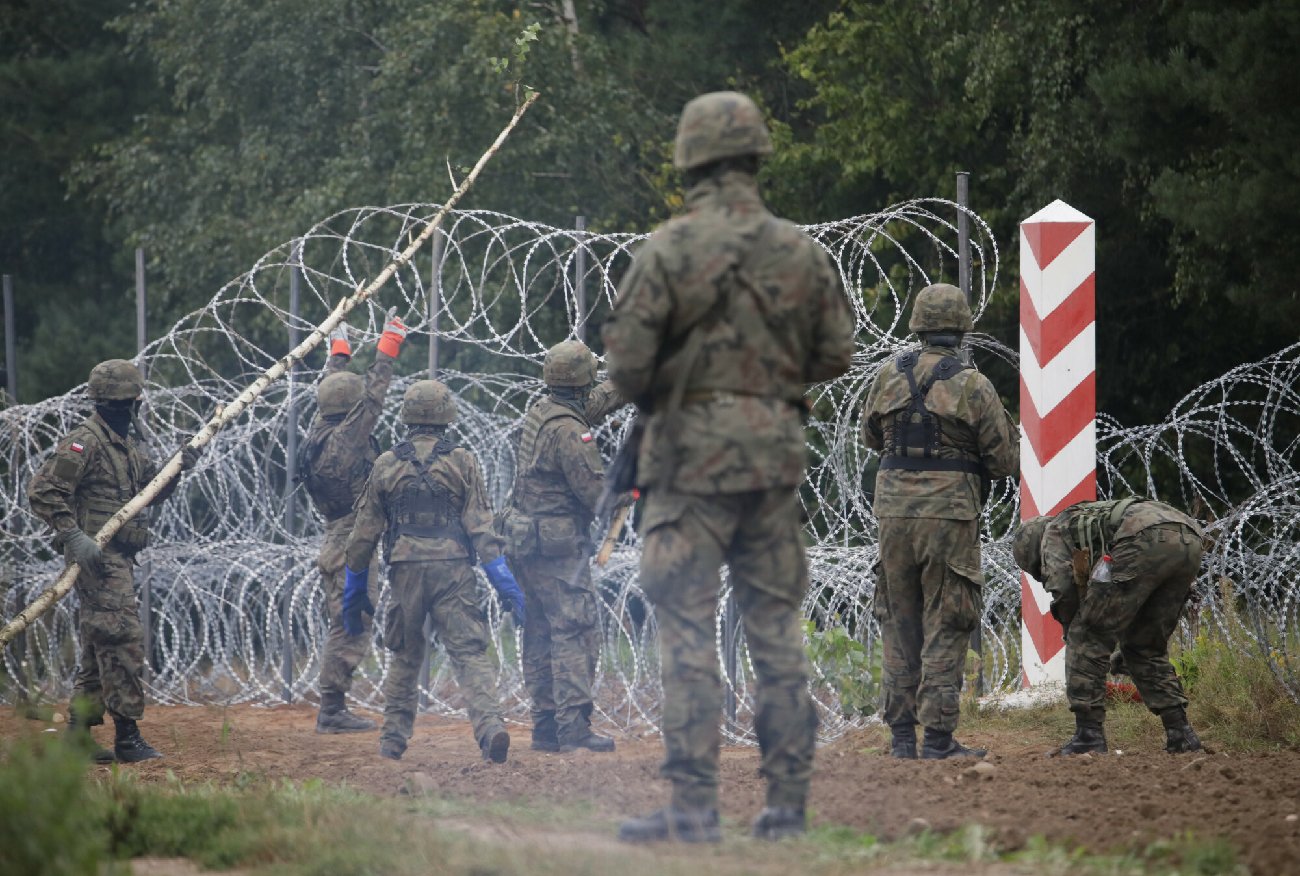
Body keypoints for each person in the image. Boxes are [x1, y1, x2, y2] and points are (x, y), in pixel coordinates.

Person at [604, 91, 854, 842]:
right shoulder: (801, 251)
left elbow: (628, 369)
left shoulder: (668, 250)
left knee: (685, 631)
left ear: (691, 161)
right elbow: (836, 354)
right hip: (773, 461)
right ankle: (786, 807)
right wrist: (766, 387)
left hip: (686, 466)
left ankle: (692, 807)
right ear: (755, 157)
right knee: (776, 633)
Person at [861, 282, 1019, 761]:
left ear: (918, 325)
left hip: (892, 512)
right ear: (963, 328)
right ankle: (939, 740)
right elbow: (1003, 460)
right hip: (949, 514)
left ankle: (902, 739)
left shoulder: (888, 375)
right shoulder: (973, 384)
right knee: (947, 619)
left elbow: (872, 436)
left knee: (898, 618)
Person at [341, 379, 525, 763]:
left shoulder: (387, 464)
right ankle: (491, 728)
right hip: (453, 570)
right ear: (446, 416)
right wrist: (506, 584)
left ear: (407, 415)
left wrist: (355, 586)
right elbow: (481, 529)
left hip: (405, 571)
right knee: (469, 652)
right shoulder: (462, 461)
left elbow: (363, 535)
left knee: (405, 655)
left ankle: (392, 739)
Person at [27, 358, 201, 762]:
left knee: (98, 644)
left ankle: (76, 734)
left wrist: (178, 469)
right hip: (98, 560)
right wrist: (73, 535)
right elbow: (43, 491)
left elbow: (151, 492)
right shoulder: (84, 441)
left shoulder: (127, 444)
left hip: (120, 555)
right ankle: (127, 735)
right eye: (123, 402)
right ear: (110, 402)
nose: (128, 408)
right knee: (121, 637)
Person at [499, 339, 627, 754]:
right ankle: (573, 729)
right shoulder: (572, 432)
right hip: (557, 549)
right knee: (574, 631)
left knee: (540, 632)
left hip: (525, 544)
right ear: (583, 382)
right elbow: (597, 495)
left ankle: (547, 727)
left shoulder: (543, 412)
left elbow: (596, 401)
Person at [1012, 497, 1205, 755]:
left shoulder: (1053, 532)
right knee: (1143, 646)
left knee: (1086, 635)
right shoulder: (1080, 523)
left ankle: (1088, 736)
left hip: (1142, 536)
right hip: (1188, 537)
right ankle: (1181, 733)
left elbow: (1063, 591)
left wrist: (1077, 639)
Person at [300, 310, 406, 734]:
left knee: (346, 621)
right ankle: (331, 709)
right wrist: (387, 349)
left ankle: (333, 706)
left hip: (337, 537)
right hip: (351, 544)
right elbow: (373, 399)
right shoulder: (344, 441)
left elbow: (334, 392)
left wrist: (338, 351)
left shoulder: (318, 430)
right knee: (351, 624)